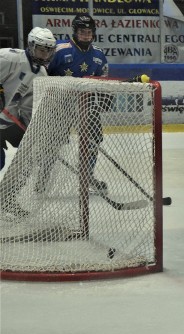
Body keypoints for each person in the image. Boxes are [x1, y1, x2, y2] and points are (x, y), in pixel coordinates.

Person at [45, 14, 109, 193]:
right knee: (53, 142)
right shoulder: (59, 49)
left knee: (94, 138)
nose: (86, 36)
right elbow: (43, 74)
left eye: (89, 32)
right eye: (82, 32)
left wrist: (104, 93)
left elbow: (103, 76)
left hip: (86, 104)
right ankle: (44, 174)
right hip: (59, 105)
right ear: (75, 32)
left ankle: (88, 175)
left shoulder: (98, 54)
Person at [0, 27, 56, 216]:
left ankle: (7, 198)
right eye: (42, 49)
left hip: (9, 122)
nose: (45, 54)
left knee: (27, 159)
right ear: (31, 45)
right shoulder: (9, 57)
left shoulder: (41, 74)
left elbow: (27, 106)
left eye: (49, 50)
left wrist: (33, 127)